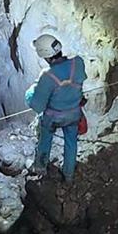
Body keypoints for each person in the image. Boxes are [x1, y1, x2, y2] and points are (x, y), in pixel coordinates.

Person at [25, 34, 87, 183]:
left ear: (45, 56)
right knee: (71, 143)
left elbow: (36, 105)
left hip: (53, 118)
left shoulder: (47, 76)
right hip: (74, 114)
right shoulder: (77, 63)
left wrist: (32, 90)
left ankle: (40, 168)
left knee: (45, 140)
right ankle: (69, 176)